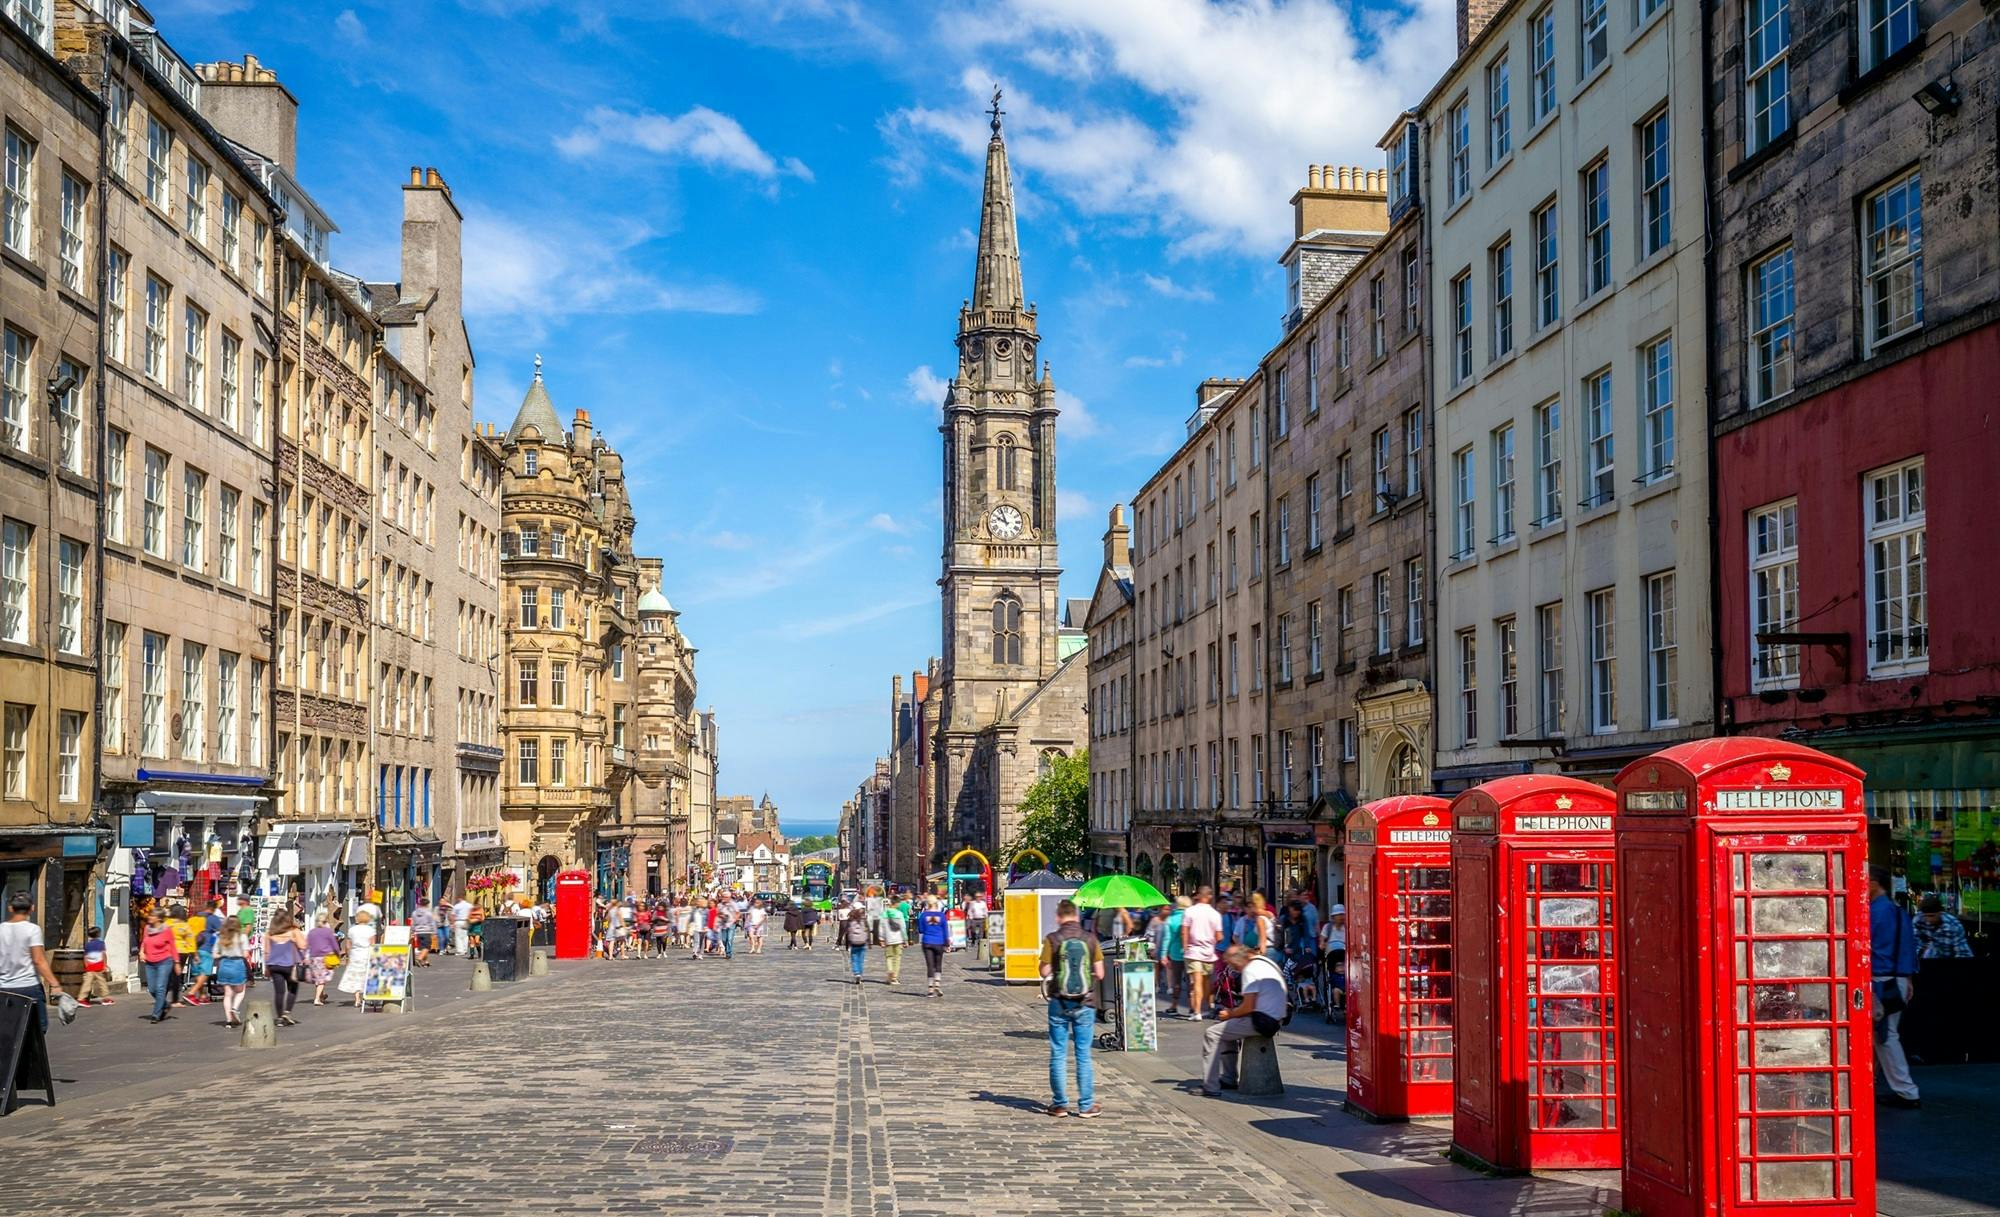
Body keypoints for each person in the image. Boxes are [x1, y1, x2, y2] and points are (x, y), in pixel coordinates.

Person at [1039, 899, 1105, 1118]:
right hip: (1085, 1003)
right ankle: (1086, 1106)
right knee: (1083, 1054)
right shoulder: (1090, 939)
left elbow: (1044, 971)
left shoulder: (1052, 939)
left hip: (1059, 1001)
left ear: (1059, 917)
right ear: (1076, 916)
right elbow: (1101, 973)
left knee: (1058, 1052)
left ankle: (1059, 1105)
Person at [1201, 942, 1288, 1095]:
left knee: (1212, 1033)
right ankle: (1228, 1078)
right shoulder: (1266, 962)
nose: (1233, 968)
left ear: (1240, 959)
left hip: (1263, 1021)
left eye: (1232, 964)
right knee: (1227, 1030)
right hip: (1275, 1016)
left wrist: (1230, 1013)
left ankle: (1210, 1086)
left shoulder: (1250, 970)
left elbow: (1248, 1006)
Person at [1868, 868, 1921, 1109]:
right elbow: (1909, 947)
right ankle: (1872, 1082)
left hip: (1879, 981)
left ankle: (1907, 1092)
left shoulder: (1871, 913)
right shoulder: (1900, 912)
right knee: (1880, 1036)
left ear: (1874, 884)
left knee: (1885, 1037)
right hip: (1898, 980)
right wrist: (1908, 979)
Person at [0, 892, 64, 1032]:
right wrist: (54, 984)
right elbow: (39, 960)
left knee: (8, 1031)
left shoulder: (1, 929)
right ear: (32, 908)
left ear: (10, 908)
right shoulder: (32, 930)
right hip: (28, 987)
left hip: (4, 988)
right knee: (37, 1029)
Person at [1181, 887, 1224, 1021]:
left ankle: (1197, 1011)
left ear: (1199, 896)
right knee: (1206, 983)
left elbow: (1184, 931)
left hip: (1193, 952)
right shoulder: (1215, 914)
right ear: (1210, 897)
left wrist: (1185, 947)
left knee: (1197, 982)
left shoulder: (1190, 911)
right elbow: (1219, 936)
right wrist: (1211, 940)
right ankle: (1204, 1007)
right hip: (1208, 952)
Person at [264, 910, 307, 1027]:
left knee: (279, 992)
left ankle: (279, 1017)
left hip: (274, 965)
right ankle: (287, 1012)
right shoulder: (293, 931)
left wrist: (266, 967)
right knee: (292, 988)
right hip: (289, 965)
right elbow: (303, 945)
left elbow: (267, 952)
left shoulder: (270, 933)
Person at [138, 907, 180, 1023]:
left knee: (160, 988)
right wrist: (141, 952)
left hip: (164, 961)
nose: (149, 917)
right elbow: (144, 941)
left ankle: (156, 1014)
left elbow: (173, 947)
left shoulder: (167, 930)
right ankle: (165, 1005)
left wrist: (176, 963)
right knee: (152, 989)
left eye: (152, 916)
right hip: (150, 962)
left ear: (159, 919)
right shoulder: (147, 928)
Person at [215, 917, 251, 1027]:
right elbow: (245, 954)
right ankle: (235, 1008)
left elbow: (214, 955)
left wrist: (225, 954)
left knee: (227, 994)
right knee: (240, 990)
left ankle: (229, 1020)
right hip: (237, 964)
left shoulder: (221, 937)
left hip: (224, 964)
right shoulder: (242, 937)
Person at [1913, 893, 1973, 959]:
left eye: (1932, 916)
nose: (1929, 919)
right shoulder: (1918, 921)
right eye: (1926, 916)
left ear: (1940, 913)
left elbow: (1963, 954)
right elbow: (1912, 946)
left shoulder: (1953, 925)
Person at [340, 908, 377, 1010]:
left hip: (355, 954)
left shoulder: (352, 929)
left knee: (356, 977)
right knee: (366, 976)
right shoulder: (371, 930)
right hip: (366, 954)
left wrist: (348, 956)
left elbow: (348, 945)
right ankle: (366, 995)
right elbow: (373, 944)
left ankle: (357, 999)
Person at [917, 896, 951, 997]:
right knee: (938, 964)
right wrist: (947, 943)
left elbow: (920, 929)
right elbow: (945, 930)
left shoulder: (923, 915)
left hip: (927, 941)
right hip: (939, 942)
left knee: (930, 966)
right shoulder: (941, 915)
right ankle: (937, 984)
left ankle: (930, 988)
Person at [1161, 896, 1189, 1016]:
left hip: (1175, 954)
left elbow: (1167, 938)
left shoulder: (1170, 919)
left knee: (1176, 981)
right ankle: (1194, 1007)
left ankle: (1174, 1005)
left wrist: (1163, 954)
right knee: (1191, 981)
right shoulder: (1190, 917)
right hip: (1190, 953)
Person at [75, 924, 115, 1007]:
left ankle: (81, 999)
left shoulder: (87, 945)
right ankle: (106, 998)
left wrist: (86, 965)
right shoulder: (101, 943)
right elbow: (103, 954)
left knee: (87, 983)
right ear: (98, 935)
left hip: (90, 967)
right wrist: (105, 965)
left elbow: (85, 956)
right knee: (102, 983)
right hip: (98, 966)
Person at [306, 913, 341, 1006]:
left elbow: (307, 945)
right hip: (324, 957)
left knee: (318, 978)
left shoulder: (311, 932)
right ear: (326, 921)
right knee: (322, 979)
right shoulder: (327, 932)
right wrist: (338, 954)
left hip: (313, 958)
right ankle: (317, 999)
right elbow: (334, 944)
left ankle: (321, 995)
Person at [880, 897, 908, 986]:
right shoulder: (899, 914)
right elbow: (903, 928)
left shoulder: (884, 913)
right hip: (898, 939)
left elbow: (881, 927)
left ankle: (890, 971)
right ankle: (894, 977)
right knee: (897, 958)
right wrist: (905, 939)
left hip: (888, 939)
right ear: (896, 904)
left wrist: (881, 938)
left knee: (889, 957)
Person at [843, 900, 870, 983]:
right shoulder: (863, 918)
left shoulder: (850, 918)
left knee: (854, 959)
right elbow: (867, 930)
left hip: (853, 941)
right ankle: (860, 975)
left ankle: (857, 973)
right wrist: (869, 942)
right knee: (861, 959)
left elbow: (847, 932)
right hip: (862, 941)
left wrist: (847, 945)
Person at [411, 902, 436, 968]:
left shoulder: (414, 913)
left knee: (423, 947)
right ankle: (420, 958)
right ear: (427, 904)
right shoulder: (428, 913)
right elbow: (432, 923)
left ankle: (425, 962)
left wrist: (412, 931)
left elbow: (413, 923)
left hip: (418, 932)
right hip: (426, 931)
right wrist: (434, 932)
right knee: (427, 947)